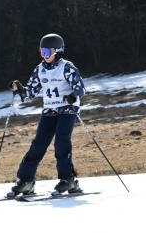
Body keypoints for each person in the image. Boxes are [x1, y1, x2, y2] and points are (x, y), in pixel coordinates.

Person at [6, 33, 86, 198]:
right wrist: (19, 89)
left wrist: (72, 96)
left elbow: (80, 89)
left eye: (47, 52)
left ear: (57, 51)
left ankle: (68, 179)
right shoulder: (40, 69)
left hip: (67, 109)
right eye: (42, 52)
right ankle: (26, 181)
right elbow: (30, 93)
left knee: (61, 142)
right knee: (38, 144)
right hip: (50, 110)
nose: (44, 55)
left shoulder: (67, 67)